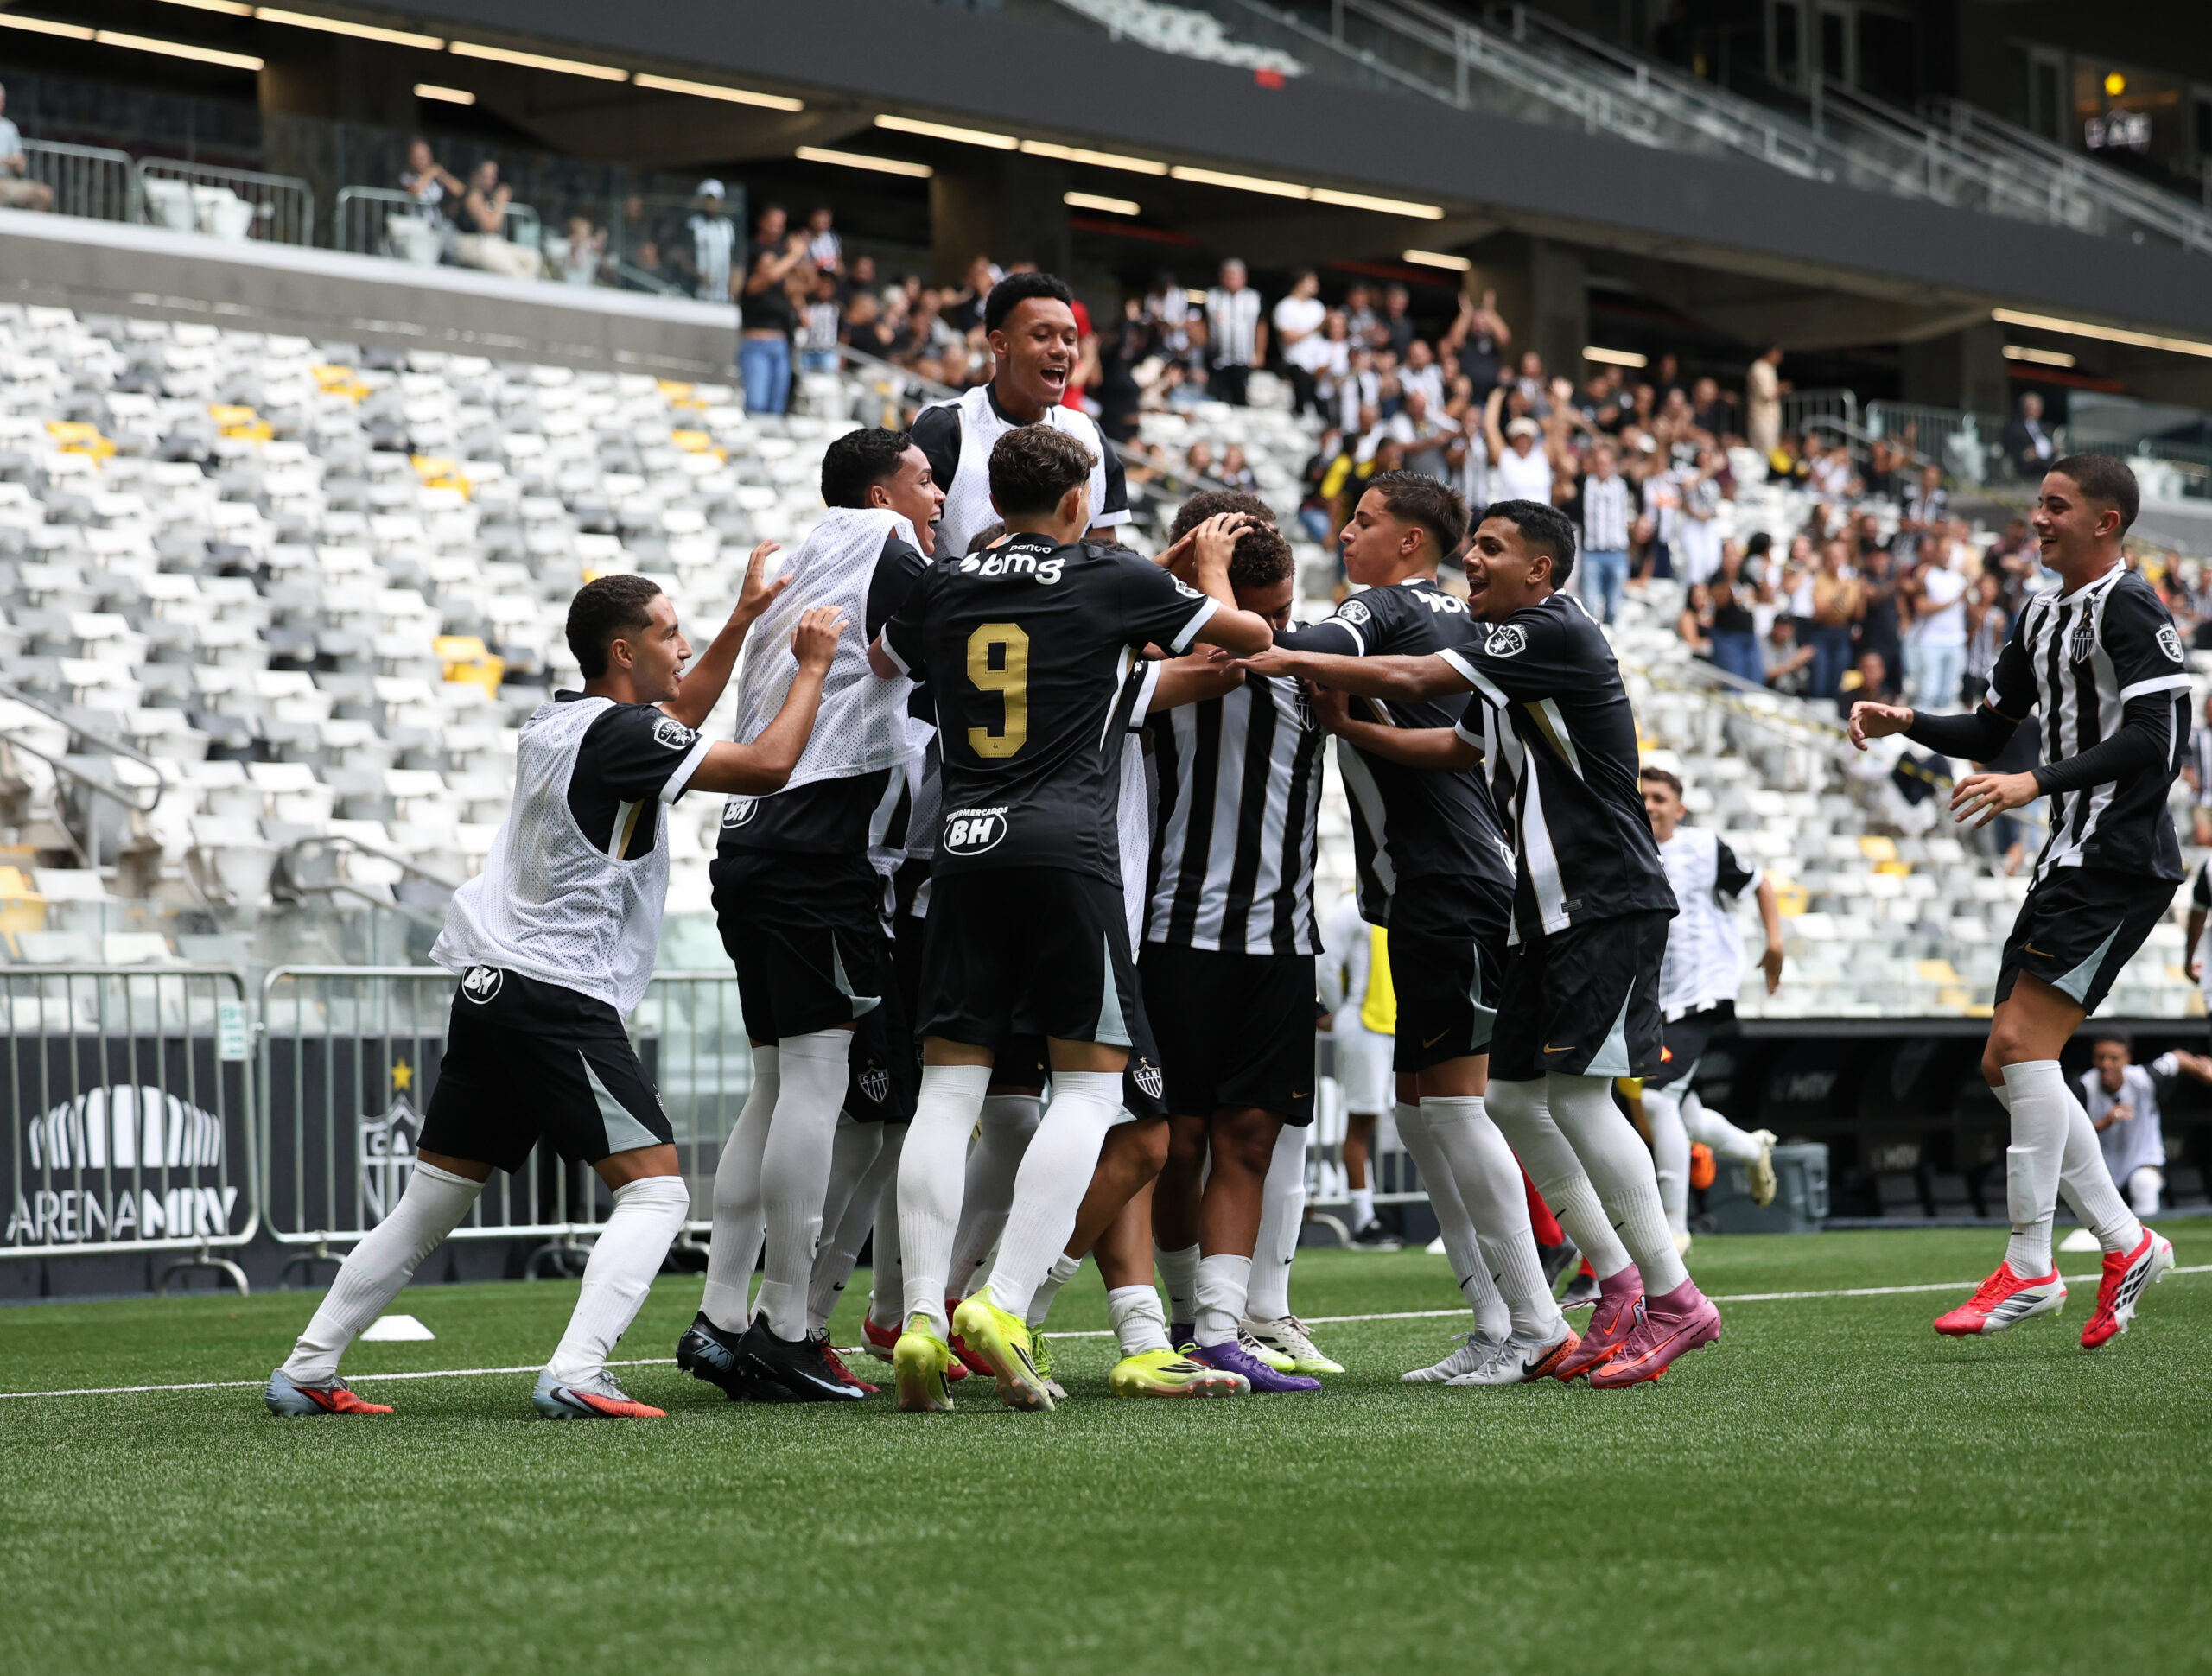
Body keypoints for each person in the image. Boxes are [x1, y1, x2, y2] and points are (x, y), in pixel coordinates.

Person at [264, 566, 847, 1419]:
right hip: (555, 993)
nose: (681, 646)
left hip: (492, 985)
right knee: (656, 1190)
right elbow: (767, 764)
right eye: (667, 632)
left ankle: (307, 1367)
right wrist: (814, 666)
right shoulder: (618, 736)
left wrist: (743, 615)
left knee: (429, 1201)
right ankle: (577, 1368)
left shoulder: (556, 721)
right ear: (624, 650)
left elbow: (674, 718)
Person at [1250, 498, 1722, 1389]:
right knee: (1508, 1097)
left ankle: (1672, 1296)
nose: (1474, 560)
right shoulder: (1512, 656)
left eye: (1494, 549)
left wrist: (1276, 652)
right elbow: (1460, 744)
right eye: (1474, 544)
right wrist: (1352, 728)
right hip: (1539, 907)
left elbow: (1425, 676)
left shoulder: (1543, 628)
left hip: (1602, 893)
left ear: (1541, 569)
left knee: (1575, 1099)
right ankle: (1618, 1288)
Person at [866, 425, 1274, 1413]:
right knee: (1091, 1093)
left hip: (959, 854)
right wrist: (1206, 571)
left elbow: (887, 654)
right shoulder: (1107, 575)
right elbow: (1248, 639)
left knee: (948, 1097)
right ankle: (1001, 1302)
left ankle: (921, 1314)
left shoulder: (946, 581)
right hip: (1064, 852)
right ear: (1080, 498)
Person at [1248, 474, 1583, 1389]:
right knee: (1415, 1109)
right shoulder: (1444, 619)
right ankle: (1494, 1318)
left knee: (1453, 1108)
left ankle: (1539, 1323)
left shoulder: (1389, 607)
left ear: (1408, 542)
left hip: (1452, 884)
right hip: (1434, 888)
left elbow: (1298, 647)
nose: (1344, 532)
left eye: (1363, 521)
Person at [1850, 454, 2181, 1349]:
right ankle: (2125, 1239)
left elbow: (2157, 739)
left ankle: (2031, 1264)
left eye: (2055, 506)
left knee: (2017, 1045)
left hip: (2119, 856)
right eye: (2036, 503)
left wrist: (2033, 780)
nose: (2036, 519)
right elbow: (1989, 729)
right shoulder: (2038, 611)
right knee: (2006, 1064)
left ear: (2105, 522)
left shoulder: (2134, 608)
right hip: (2064, 856)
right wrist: (1907, 721)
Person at [677, 428, 943, 1403]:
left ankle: (721, 1314)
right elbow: (945, 628)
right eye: (924, 479)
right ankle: (787, 1325)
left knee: (772, 1084)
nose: (938, 493)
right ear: (882, 492)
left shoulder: (794, 553)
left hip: (751, 843)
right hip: (819, 844)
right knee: (816, 1087)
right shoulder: (891, 545)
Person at [1140, 497, 1332, 1392]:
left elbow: (1259, 648)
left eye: (1286, 613)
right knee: (1175, 1144)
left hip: (1280, 935)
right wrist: (1189, 583)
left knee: (1249, 1135)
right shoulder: (1147, 654)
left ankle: (1222, 1327)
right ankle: (1183, 1317)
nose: (1276, 631)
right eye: (1265, 613)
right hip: (1173, 931)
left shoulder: (1307, 663)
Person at [1636, 767, 1782, 1249]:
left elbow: (1760, 883)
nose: (1650, 805)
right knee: (1686, 1112)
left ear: (1679, 807)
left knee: (1656, 1098)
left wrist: (1774, 944)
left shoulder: (1702, 847)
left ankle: (1674, 1227)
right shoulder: (1625, 847)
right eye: (1644, 797)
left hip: (1702, 993)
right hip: (1656, 1004)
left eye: (1660, 797)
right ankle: (1750, 1147)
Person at [909, 271, 1132, 561]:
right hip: (961, 603)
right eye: (1042, 336)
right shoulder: (948, 427)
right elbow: (907, 547)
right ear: (1000, 344)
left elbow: (1105, 561)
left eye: (1070, 339)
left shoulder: (1090, 435)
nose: (1060, 350)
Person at [1319, 891, 1399, 1249]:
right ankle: (1365, 1221)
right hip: (1365, 1025)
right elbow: (1325, 965)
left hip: (1404, 1026)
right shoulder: (1351, 906)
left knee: (1428, 1122)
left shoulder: (1406, 896)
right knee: (1361, 1123)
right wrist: (1339, 1016)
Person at [2078, 1034, 2197, 1218]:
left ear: (2127, 1059)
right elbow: (2071, 1135)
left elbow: (2178, 1058)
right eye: (2100, 1057)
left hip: (2141, 1159)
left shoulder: (2145, 1078)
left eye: (2114, 1058)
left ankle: (2147, 1243)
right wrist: (2105, 1122)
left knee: (2144, 1182)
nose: (2106, 1064)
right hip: (2100, 1166)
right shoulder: (2084, 1087)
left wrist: (2204, 1071)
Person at [741, 204, 807, 416]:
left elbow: (804, 284)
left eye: (781, 225)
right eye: (773, 223)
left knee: (776, 408)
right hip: (756, 342)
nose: (777, 229)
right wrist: (793, 256)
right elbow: (767, 277)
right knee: (756, 406)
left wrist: (803, 253)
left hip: (781, 343)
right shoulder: (750, 249)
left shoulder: (783, 254)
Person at [1576, 441, 1633, 626]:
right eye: (1599, 462)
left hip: (1617, 553)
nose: (1602, 466)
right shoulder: (1585, 484)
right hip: (1592, 553)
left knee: (1614, 608)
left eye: (1606, 462)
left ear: (1613, 464)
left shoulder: (1621, 485)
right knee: (1589, 606)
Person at [1205, 258, 1266, 407]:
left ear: (1243, 278)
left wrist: (1259, 353)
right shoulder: (1212, 296)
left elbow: (1261, 326)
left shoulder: (1254, 298)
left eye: (1235, 275)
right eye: (1228, 275)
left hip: (1244, 358)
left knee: (1241, 399)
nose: (1232, 279)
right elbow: (1203, 325)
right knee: (1217, 400)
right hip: (1218, 358)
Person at [1274, 269, 1329, 418]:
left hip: (1318, 369)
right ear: (1300, 283)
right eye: (1312, 281)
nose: (1316, 285)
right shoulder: (1284, 307)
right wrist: (1316, 327)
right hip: (1296, 368)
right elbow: (1288, 337)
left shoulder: (1318, 307)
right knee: (1300, 413)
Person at [685, 180, 739, 304]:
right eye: (708, 199)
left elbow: (735, 259)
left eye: (715, 199)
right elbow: (681, 255)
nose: (712, 203)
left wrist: (735, 279)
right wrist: (697, 274)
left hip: (723, 295)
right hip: (696, 293)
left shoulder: (728, 227)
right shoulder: (693, 225)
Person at [397, 137, 460, 223]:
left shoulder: (436, 176)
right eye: (417, 157)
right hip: (416, 222)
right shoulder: (407, 176)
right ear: (411, 159)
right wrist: (429, 174)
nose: (421, 161)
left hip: (436, 222)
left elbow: (460, 191)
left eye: (423, 157)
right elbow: (415, 191)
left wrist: (443, 175)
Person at [2004, 391, 2057, 483]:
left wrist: (2052, 448)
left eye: (2037, 407)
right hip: (2026, 463)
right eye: (2031, 407)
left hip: (2046, 459)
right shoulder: (2014, 426)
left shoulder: (2041, 426)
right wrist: (2026, 453)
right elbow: (2010, 446)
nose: (2035, 410)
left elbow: (2044, 442)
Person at [1746, 346, 1785, 457]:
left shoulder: (1769, 368)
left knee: (1770, 448)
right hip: (1761, 415)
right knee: (1765, 450)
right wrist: (1781, 388)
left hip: (1768, 415)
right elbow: (1767, 394)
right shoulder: (1759, 368)